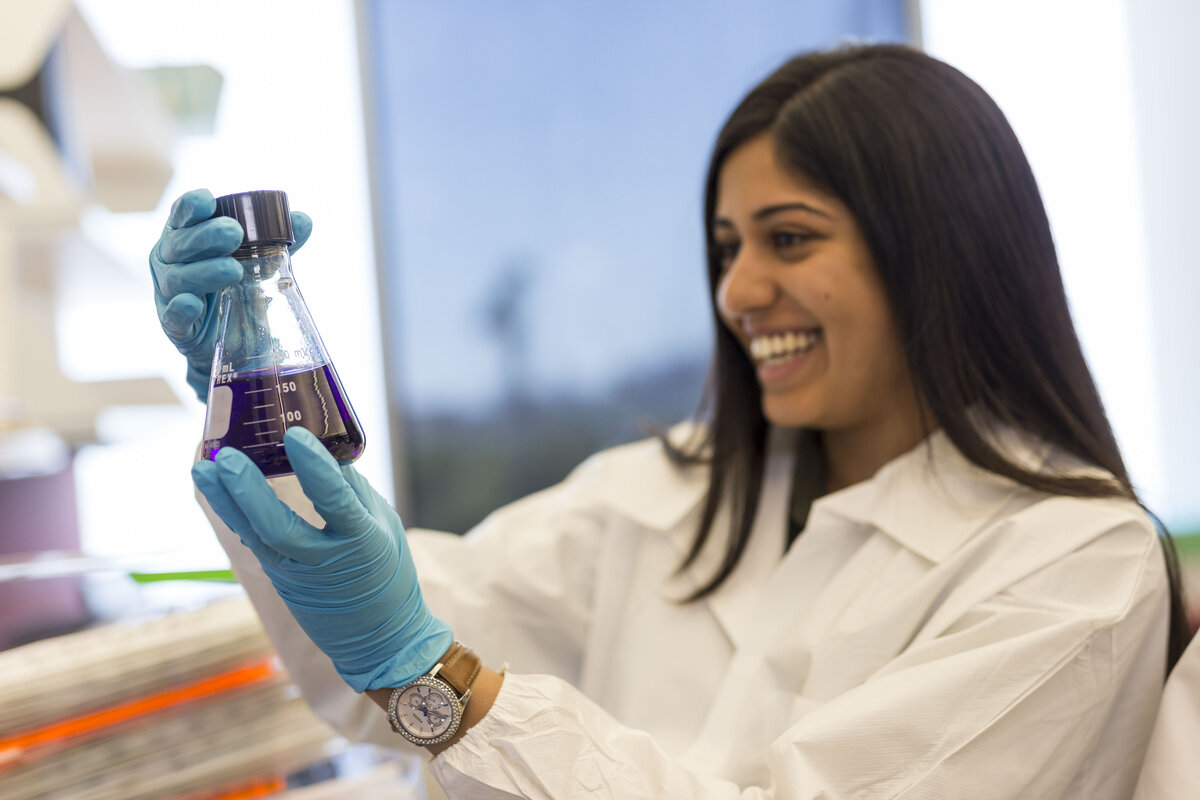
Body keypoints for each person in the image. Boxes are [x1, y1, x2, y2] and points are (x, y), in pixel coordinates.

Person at [149, 43, 1192, 798]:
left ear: (942, 252)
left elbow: (425, 662)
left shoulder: (1073, 566)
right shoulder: (669, 487)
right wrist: (250, 397)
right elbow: (375, 654)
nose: (739, 289)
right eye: (728, 245)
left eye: (789, 239)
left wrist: (435, 675)